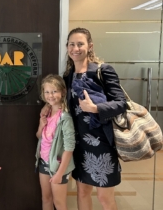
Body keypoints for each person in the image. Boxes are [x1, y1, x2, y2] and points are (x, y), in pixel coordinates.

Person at [60, 27, 126, 210]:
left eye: (80, 44)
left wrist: (95, 108)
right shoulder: (68, 76)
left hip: (102, 143)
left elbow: (121, 103)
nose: (76, 48)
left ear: (89, 46)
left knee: (105, 198)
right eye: (72, 44)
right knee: (82, 192)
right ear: (67, 47)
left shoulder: (102, 70)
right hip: (79, 144)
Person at [35, 74, 76, 210]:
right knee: (46, 199)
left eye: (54, 91)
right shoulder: (46, 113)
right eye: (47, 92)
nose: (50, 95)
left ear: (63, 92)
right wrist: (41, 125)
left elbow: (69, 147)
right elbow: (39, 136)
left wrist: (59, 173)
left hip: (58, 166)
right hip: (44, 163)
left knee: (59, 204)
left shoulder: (65, 117)